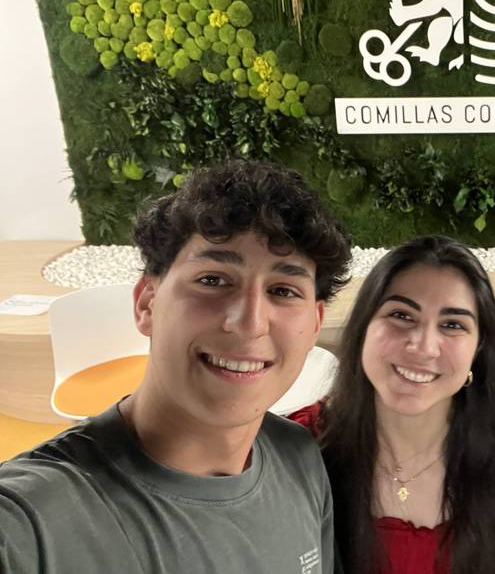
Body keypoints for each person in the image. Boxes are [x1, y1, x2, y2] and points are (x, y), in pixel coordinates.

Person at [0, 160, 351, 573]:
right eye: (213, 280)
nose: (249, 322)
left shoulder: (300, 460)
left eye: (283, 290)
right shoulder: (35, 521)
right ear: (147, 303)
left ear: (313, 323)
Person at [290, 235, 495, 574]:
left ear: (478, 350)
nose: (424, 347)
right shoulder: (298, 453)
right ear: (364, 327)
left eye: (452, 325)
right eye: (401, 315)